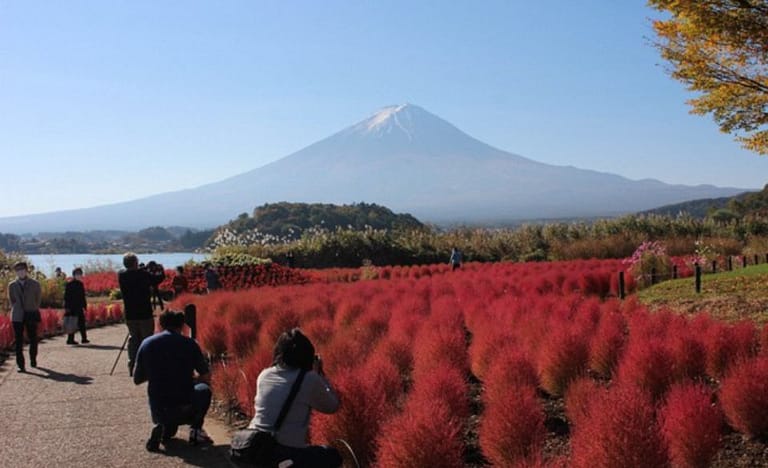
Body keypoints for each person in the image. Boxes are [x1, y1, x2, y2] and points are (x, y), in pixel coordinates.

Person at [248, 328, 342, 468]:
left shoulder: (264, 375)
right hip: (284, 452)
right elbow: (332, 406)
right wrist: (320, 374)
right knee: (331, 456)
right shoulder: (309, 379)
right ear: (308, 355)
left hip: (254, 447)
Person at [133, 310, 213, 451]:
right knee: (203, 389)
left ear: (161, 324)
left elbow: (137, 379)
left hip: (159, 403)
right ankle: (195, 430)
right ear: (182, 325)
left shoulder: (147, 343)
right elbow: (205, 375)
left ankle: (161, 425)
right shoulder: (189, 344)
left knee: (168, 431)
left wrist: (156, 373)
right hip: (185, 401)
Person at [118, 253, 155, 376]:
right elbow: (156, 280)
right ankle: (147, 366)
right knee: (147, 340)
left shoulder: (122, 275)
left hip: (130, 313)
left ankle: (132, 364)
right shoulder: (143, 274)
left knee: (133, 339)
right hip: (144, 313)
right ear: (135, 263)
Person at [8, 262, 42, 372]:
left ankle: (33, 359)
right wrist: (17, 308)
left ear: (26, 270)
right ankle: (21, 365)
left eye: (22, 270)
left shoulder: (35, 284)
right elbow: (12, 300)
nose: (20, 272)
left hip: (31, 312)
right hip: (17, 316)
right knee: (18, 340)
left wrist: (32, 307)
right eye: (18, 270)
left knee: (33, 338)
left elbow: (38, 299)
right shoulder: (12, 285)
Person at [64, 267, 89, 345]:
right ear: (74, 275)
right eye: (77, 274)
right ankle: (70, 339)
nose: (79, 275)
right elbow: (66, 297)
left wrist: (84, 306)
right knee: (72, 323)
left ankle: (84, 338)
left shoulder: (80, 284)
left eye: (80, 274)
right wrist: (67, 307)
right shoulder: (69, 284)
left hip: (79, 306)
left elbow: (82, 296)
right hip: (71, 307)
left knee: (82, 323)